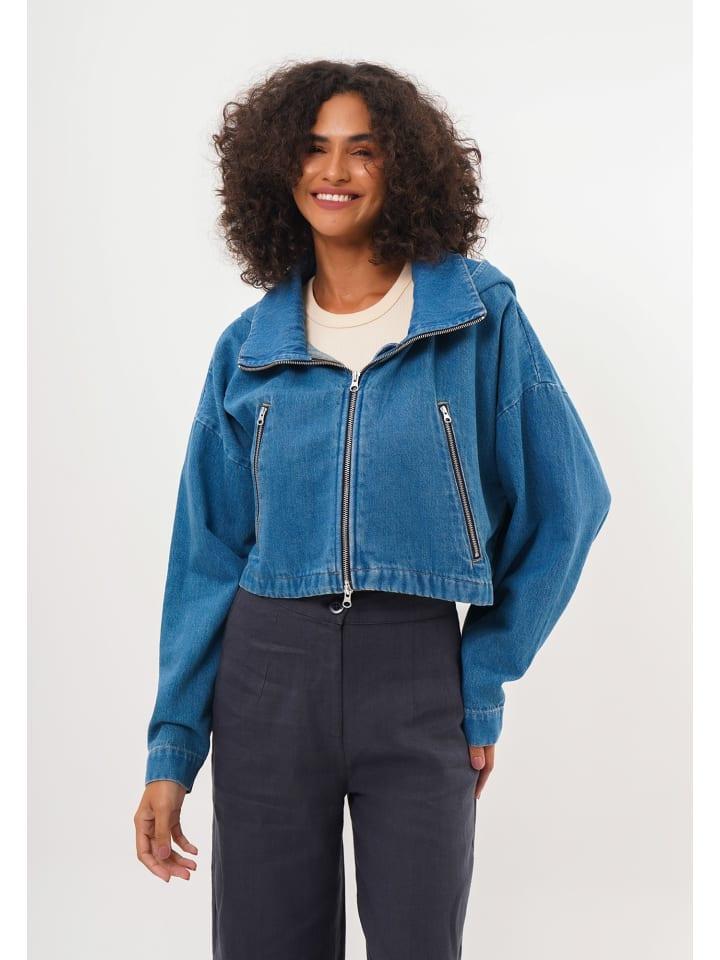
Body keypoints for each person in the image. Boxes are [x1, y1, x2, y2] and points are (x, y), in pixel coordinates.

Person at [133, 60, 611, 959]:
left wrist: (482, 676)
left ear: (405, 168)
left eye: (364, 149)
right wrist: (172, 750)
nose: (335, 171)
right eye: (313, 149)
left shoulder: (475, 316)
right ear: (278, 170)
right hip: (266, 678)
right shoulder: (249, 350)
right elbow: (206, 554)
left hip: (418, 675)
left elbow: (571, 501)